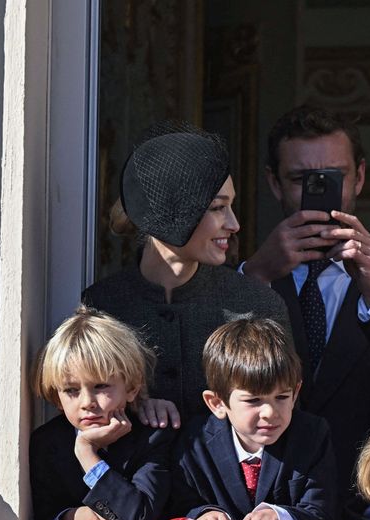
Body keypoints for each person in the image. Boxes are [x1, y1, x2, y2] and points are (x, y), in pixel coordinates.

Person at [239, 106, 370, 520]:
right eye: (301, 180)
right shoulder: (243, 284)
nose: (319, 192)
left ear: (359, 178)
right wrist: (256, 275)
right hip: (260, 515)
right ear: (274, 183)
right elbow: (207, 381)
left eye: (332, 178)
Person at [82, 122, 289, 424]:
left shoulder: (257, 305)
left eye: (230, 206)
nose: (233, 224)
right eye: (218, 208)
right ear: (173, 212)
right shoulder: (102, 307)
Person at [169, 318, 338, 520]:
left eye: (282, 397)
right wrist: (203, 514)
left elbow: (324, 511)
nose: (269, 412)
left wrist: (280, 516)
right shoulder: (194, 443)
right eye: (253, 400)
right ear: (217, 403)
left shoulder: (312, 435)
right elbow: (177, 505)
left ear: (296, 392)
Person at [30, 306, 174, 520]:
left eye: (101, 386)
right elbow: (37, 517)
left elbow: (137, 518)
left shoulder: (152, 436)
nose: (87, 402)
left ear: (132, 388)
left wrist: (87, 453)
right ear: (56, 397)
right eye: (71, 390)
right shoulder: (46, 444)